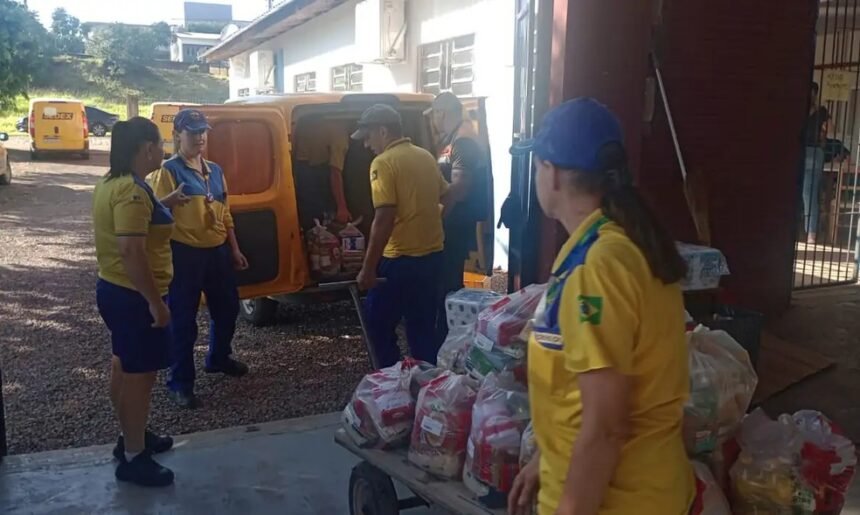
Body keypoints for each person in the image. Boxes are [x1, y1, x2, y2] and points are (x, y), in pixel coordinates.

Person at [507, 98, 694, 515]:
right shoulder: (615, 247)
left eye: (536, 165)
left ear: (551, 174)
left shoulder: (598, 268)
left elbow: (607, 426)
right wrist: (547, 459)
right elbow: (584, 397)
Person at [93, 117, 189, 486]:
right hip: (134, 297)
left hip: (116, 290)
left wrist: (165, 202)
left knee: (124, 366)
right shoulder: (132, 192)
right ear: (147, 148)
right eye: (161, 143)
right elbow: (132, 249)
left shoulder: (114, 184)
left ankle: (131, 438)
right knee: (139, 377)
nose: (164, 150)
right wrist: (157, 303)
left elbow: (136, 223)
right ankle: (135, 457)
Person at [149, 109, 250, 409]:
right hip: (184, 253)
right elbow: (151, 215)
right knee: (183, 320)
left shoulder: (215, 171)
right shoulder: (168, 171)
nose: (200, 137)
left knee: (228, 309)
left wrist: (234, 248)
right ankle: (180, 383)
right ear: (177, 135)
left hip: (217, 250)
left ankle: (218, 358)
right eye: (192, 132)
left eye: (203, 131)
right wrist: (168, 204)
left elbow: (225, 213)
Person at [352, 104, 448, 368]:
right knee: (422, 328)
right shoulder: (425, 156)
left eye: (369, 137)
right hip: (432, 257)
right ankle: (424, 388)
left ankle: (392, 380)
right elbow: (446, 194)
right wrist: (429, 220)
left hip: (399, 261)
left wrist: (368, 269)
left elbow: (383, 219)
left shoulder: (382, 163)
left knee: (377, 322)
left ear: (383, 131)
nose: (367, 144)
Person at [427, 92, 491, 345]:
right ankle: (444, 335)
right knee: (445, 283)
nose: (433, 121)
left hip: (454, 224)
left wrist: (437, 220)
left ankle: (445, 339)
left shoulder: (463, 140)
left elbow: (460, 188)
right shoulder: (454, 138)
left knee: (447, 284)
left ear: (440, 113)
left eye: (433, 115)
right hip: (453, 223)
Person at [803, 82, 829, 245]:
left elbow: (828, 130)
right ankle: (810, 232)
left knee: (808, 194)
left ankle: (811, 232)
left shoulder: (821, 111)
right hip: (806, 150)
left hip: (811, 150)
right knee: (807, 194)